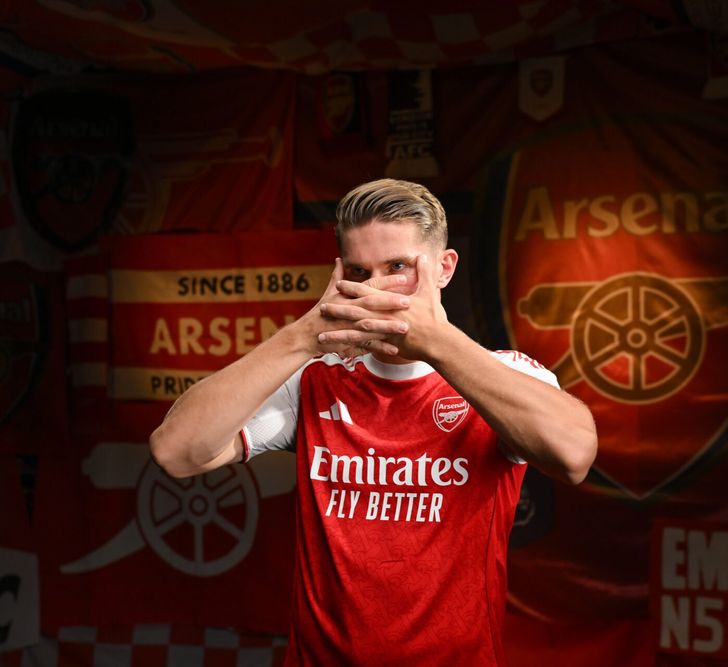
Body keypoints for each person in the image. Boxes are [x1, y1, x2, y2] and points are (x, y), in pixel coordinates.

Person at [149, 178, 598, 665]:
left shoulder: (500, 374)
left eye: (398, 267)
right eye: (360, 272)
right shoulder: (314, 379)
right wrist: (302, 337)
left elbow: (574, 456)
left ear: (444, 269)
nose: (375, 288)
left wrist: (436, 342)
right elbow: (176, 452)